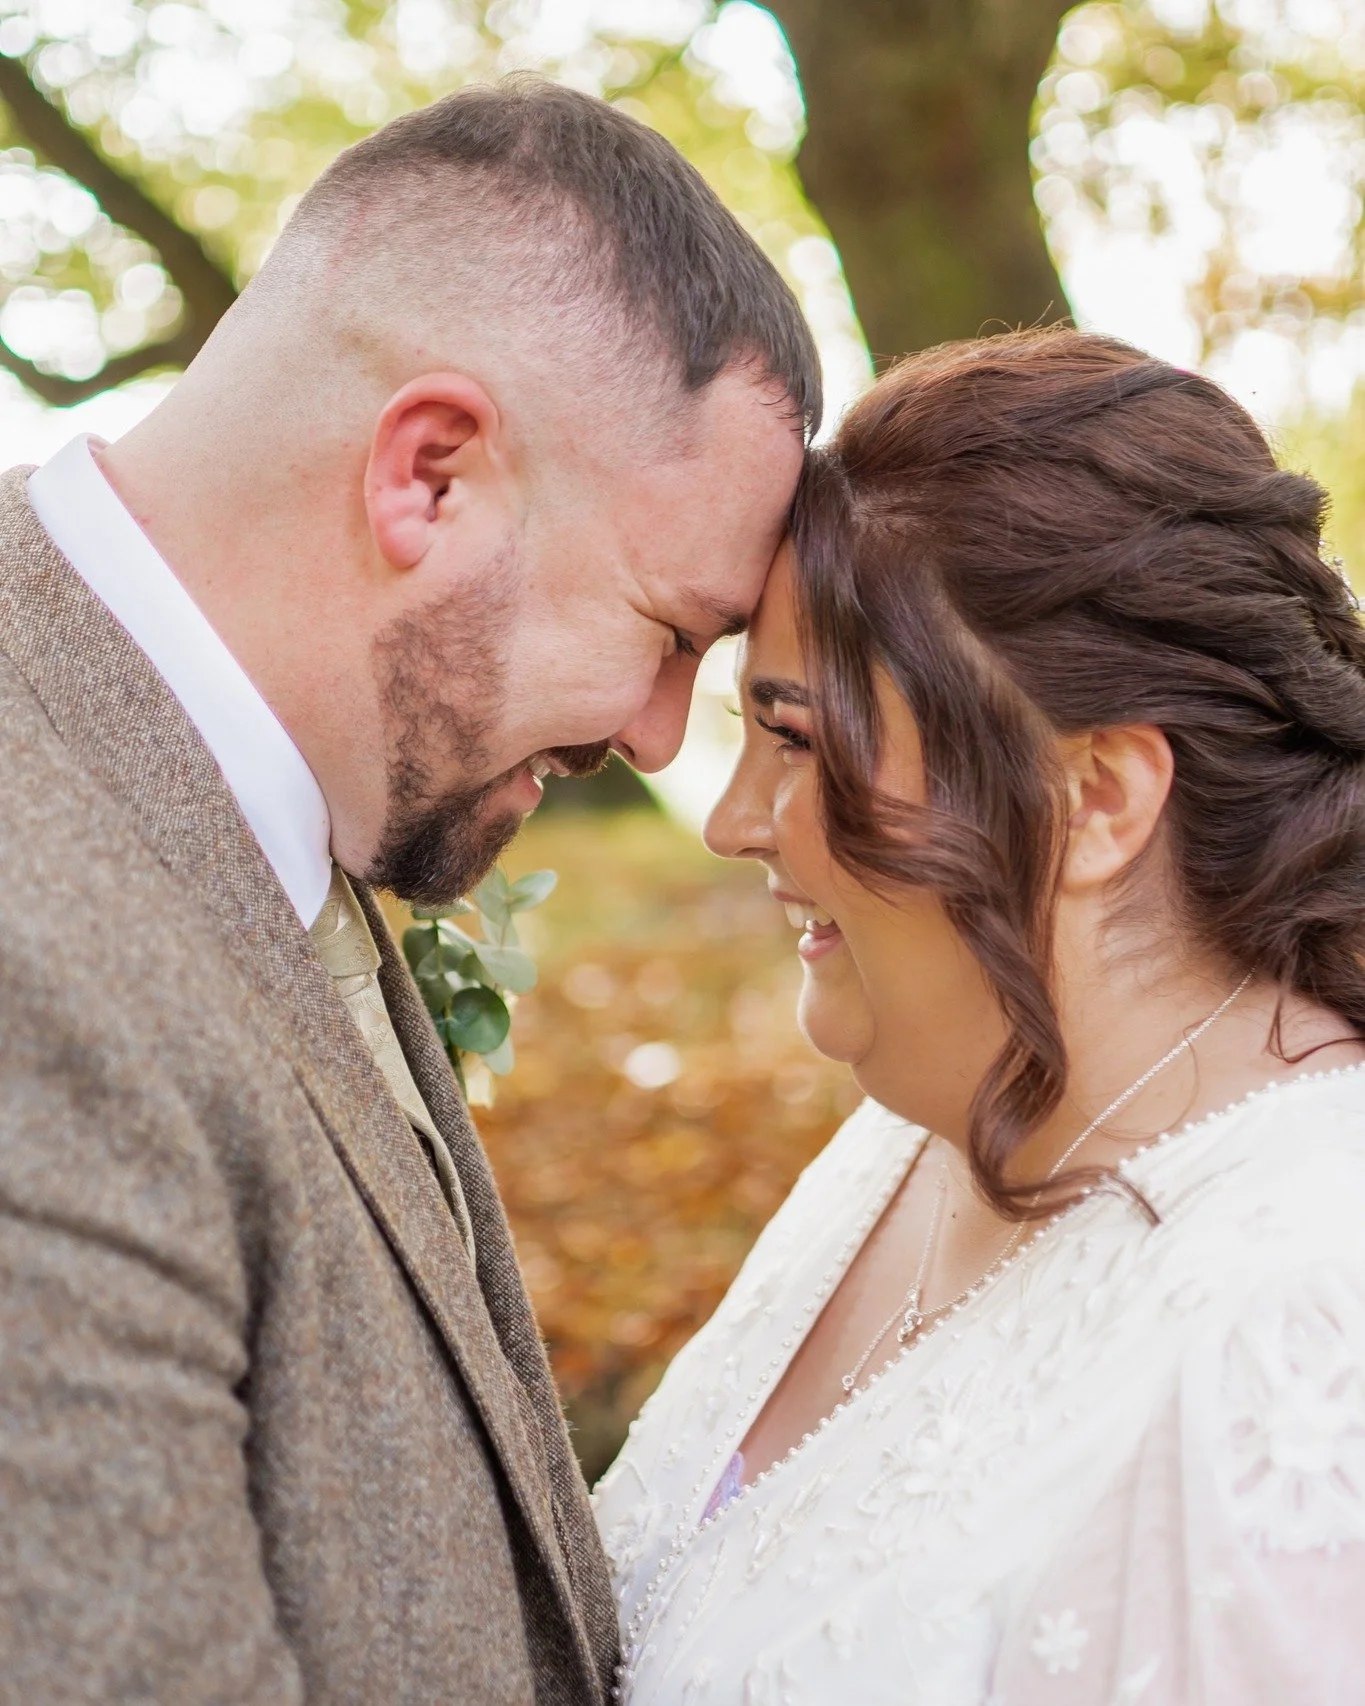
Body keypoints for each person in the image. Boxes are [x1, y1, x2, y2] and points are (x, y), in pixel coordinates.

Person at [0, 79, 817, 1703]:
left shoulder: (278, 797)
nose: (660, 736)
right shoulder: (36, 965)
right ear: (428, 476)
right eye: (669, 632)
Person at [595, 329, 1365, 1703]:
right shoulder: (908, 1139)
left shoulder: (1310, 1330)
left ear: (1097, 797)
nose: (729, 822)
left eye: (798, 740)